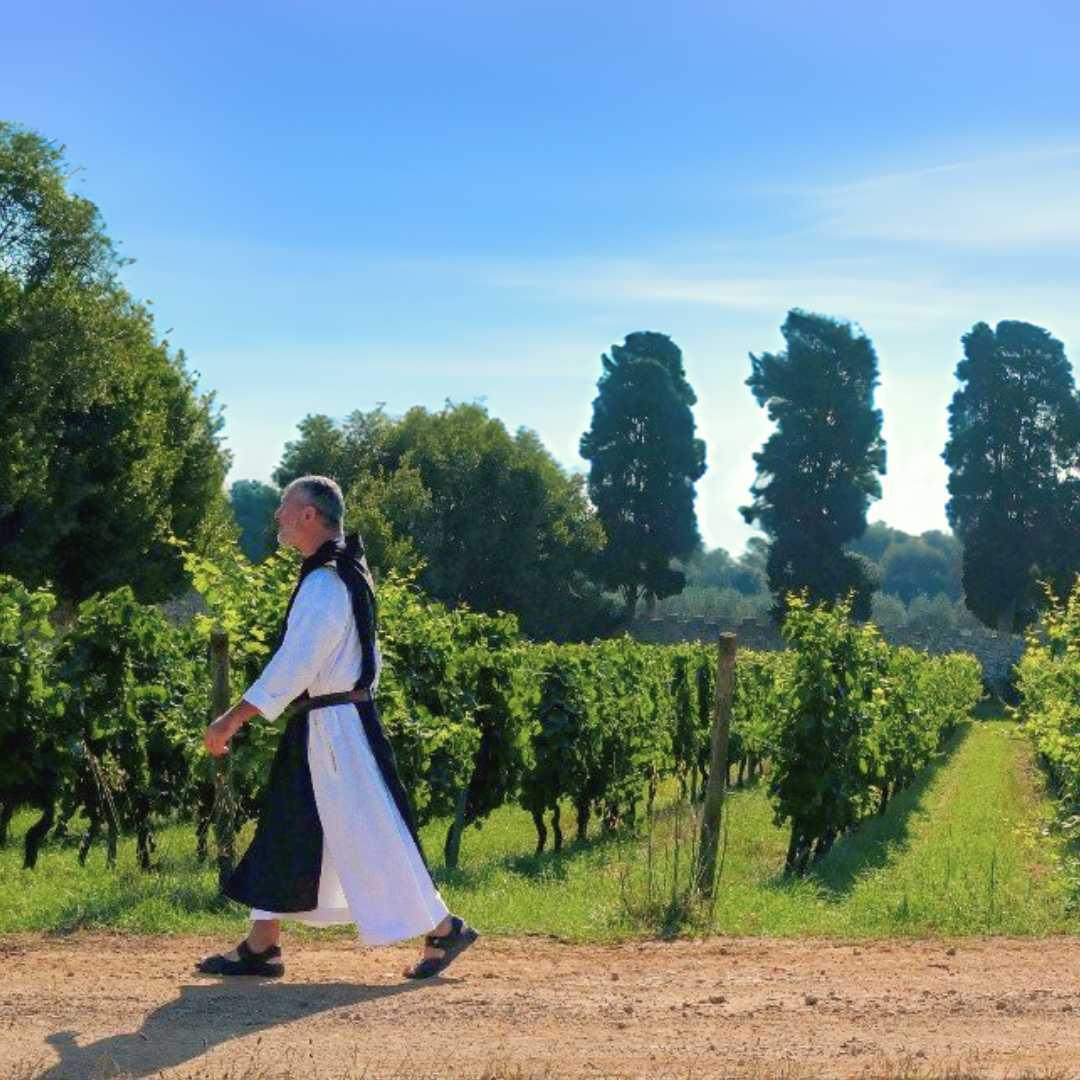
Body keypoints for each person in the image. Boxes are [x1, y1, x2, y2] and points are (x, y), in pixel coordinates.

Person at [196, 475, 477, 980]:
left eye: (285, 507)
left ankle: (442, 927)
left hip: (338, 728)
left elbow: (295, 664)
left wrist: (231, 718)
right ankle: (262, 945)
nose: (278, 516)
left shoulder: (327, 581)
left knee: (373, 831)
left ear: (308, 515)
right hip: (327, 722)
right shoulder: (341, 573)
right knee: (285, 823)